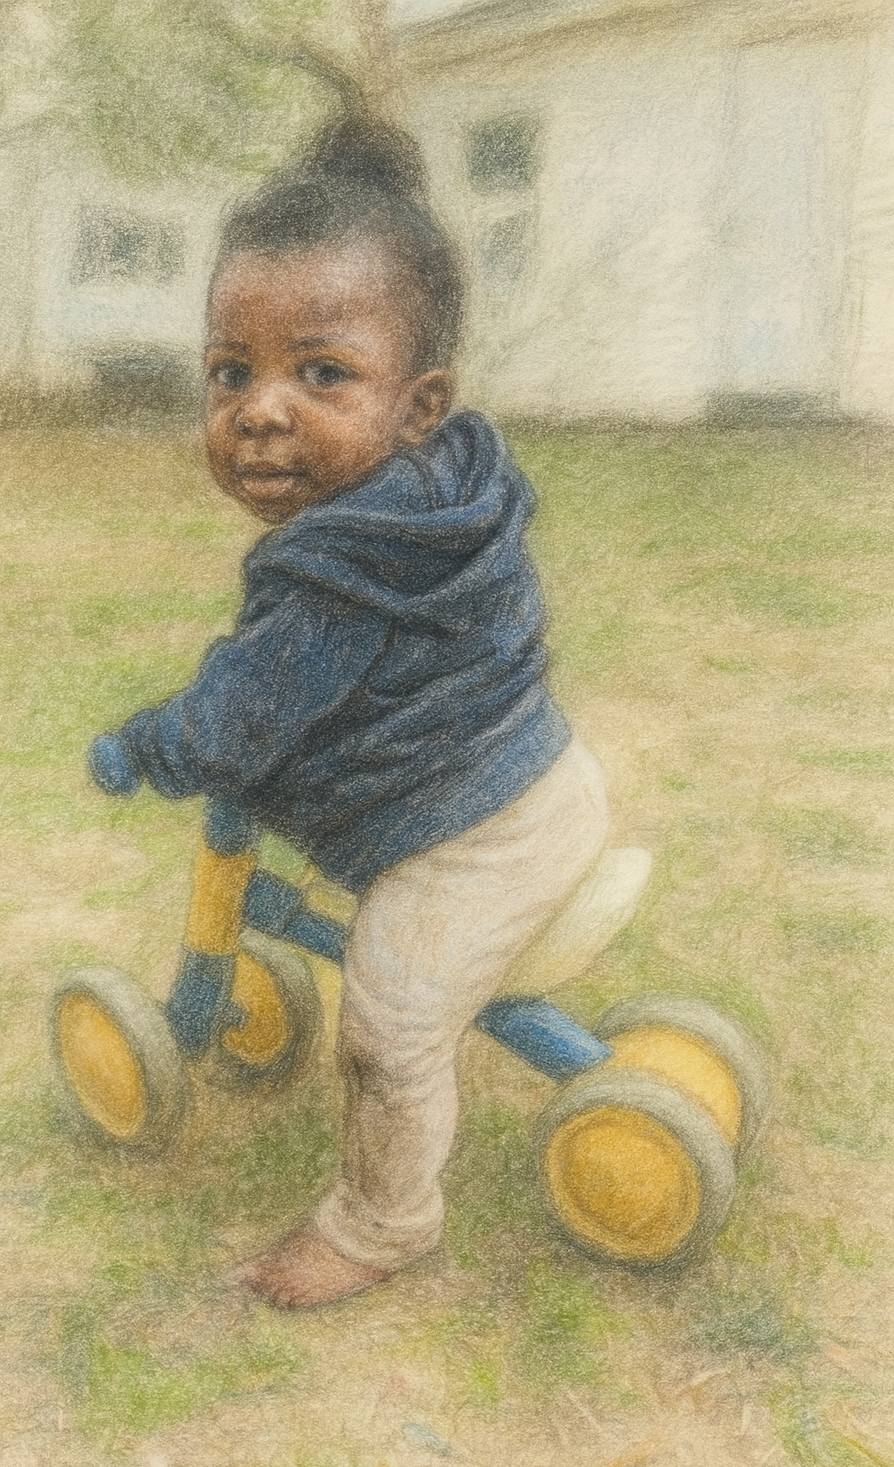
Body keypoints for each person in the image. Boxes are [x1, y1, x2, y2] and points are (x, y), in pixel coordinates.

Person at [88, 114, 610, 1307]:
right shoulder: (441, 498)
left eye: (320, 373)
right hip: (539, 778)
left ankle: (380, 1224)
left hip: (472, 843)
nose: (261, 410)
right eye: (232, 372)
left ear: (419, 405)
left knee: (387, 1033)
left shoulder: (339, 573)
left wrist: (143, 747)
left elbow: (234, 723)